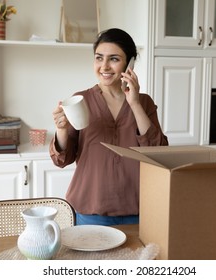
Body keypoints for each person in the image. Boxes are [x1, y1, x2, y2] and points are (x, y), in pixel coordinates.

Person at [50, 28, 168, 226]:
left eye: (114, 59)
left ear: (129, 63)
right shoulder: (80, 100)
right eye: (99, 58)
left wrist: (135, 103)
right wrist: (61, 130)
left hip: (139, 209)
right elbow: (62, 159)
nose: (104, 66)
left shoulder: (144, 103)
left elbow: (159, 153)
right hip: (91, 210)